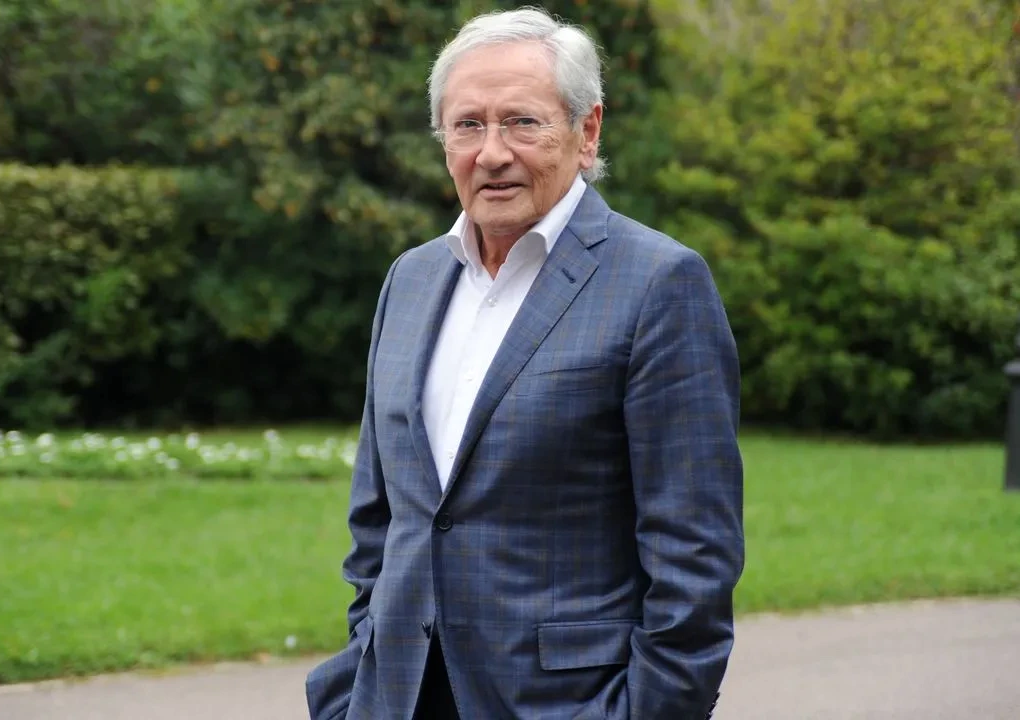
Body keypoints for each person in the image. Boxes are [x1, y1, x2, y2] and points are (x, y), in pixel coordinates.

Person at [305, 7, 744, 719]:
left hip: (565, 703)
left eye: (522, 122)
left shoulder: (660, 283)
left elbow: (694, 559)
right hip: (396, 696)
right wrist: (363, 661)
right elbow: (379, 521)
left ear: (587, 130)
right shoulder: (410, 281)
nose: (492, 152)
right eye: (468, 125)